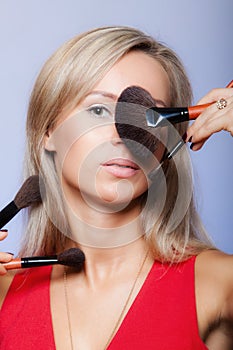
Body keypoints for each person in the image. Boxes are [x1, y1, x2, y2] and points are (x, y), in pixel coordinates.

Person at [0, 26, 233, 349]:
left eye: (150, 117)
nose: (125, 136)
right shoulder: (5, 292)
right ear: (48, 131)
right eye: (98, 110)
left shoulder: (219, 283)